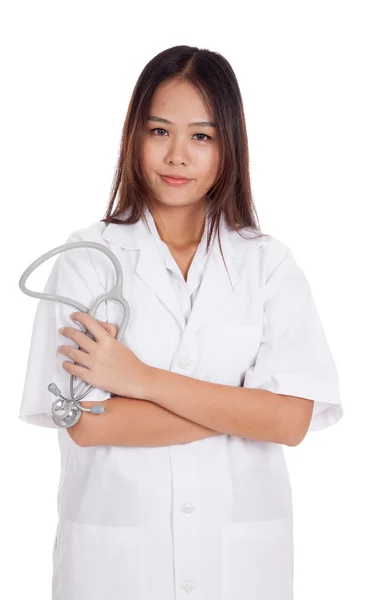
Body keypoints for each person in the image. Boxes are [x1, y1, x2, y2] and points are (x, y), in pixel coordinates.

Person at [18, 45, 343, 600]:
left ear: (228, 146)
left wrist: (139, 380)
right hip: (116, 569)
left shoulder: (268, 264)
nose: (177, 157)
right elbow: (89, 422)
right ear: (134, 136)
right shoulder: (87, 257)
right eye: (159, 131)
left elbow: (293, 422)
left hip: (238, 570)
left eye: (201, 136)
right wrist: (249, 411)